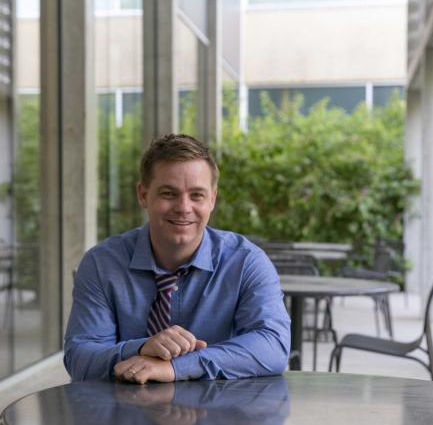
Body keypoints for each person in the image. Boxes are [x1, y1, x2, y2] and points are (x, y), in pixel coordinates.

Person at [64, 133, 291, 383]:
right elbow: (80, 358)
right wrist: (140, 349)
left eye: (197, 195)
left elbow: (273, 346)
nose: (184, 207)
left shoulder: (246, 262)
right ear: (143, 195)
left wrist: (176, 367)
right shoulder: (101, 264)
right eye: (169, 194)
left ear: (212, 199)